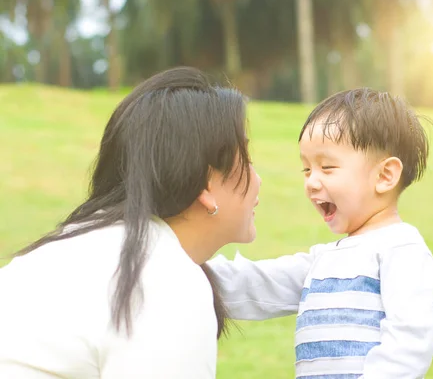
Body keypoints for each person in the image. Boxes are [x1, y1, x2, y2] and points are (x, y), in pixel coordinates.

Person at [0, 66, 261, 379]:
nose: (257, 179)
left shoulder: (87, 247)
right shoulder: (167, 282)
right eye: (246, 157)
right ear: (206, 185)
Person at [209, 88, 433, 379]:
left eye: (327, 167)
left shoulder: (401, 249)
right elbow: (258, 286)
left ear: (385, 176)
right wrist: (183, 266)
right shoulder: (323, 261)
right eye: (306, 169)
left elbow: (411, 339)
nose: (311, 182)